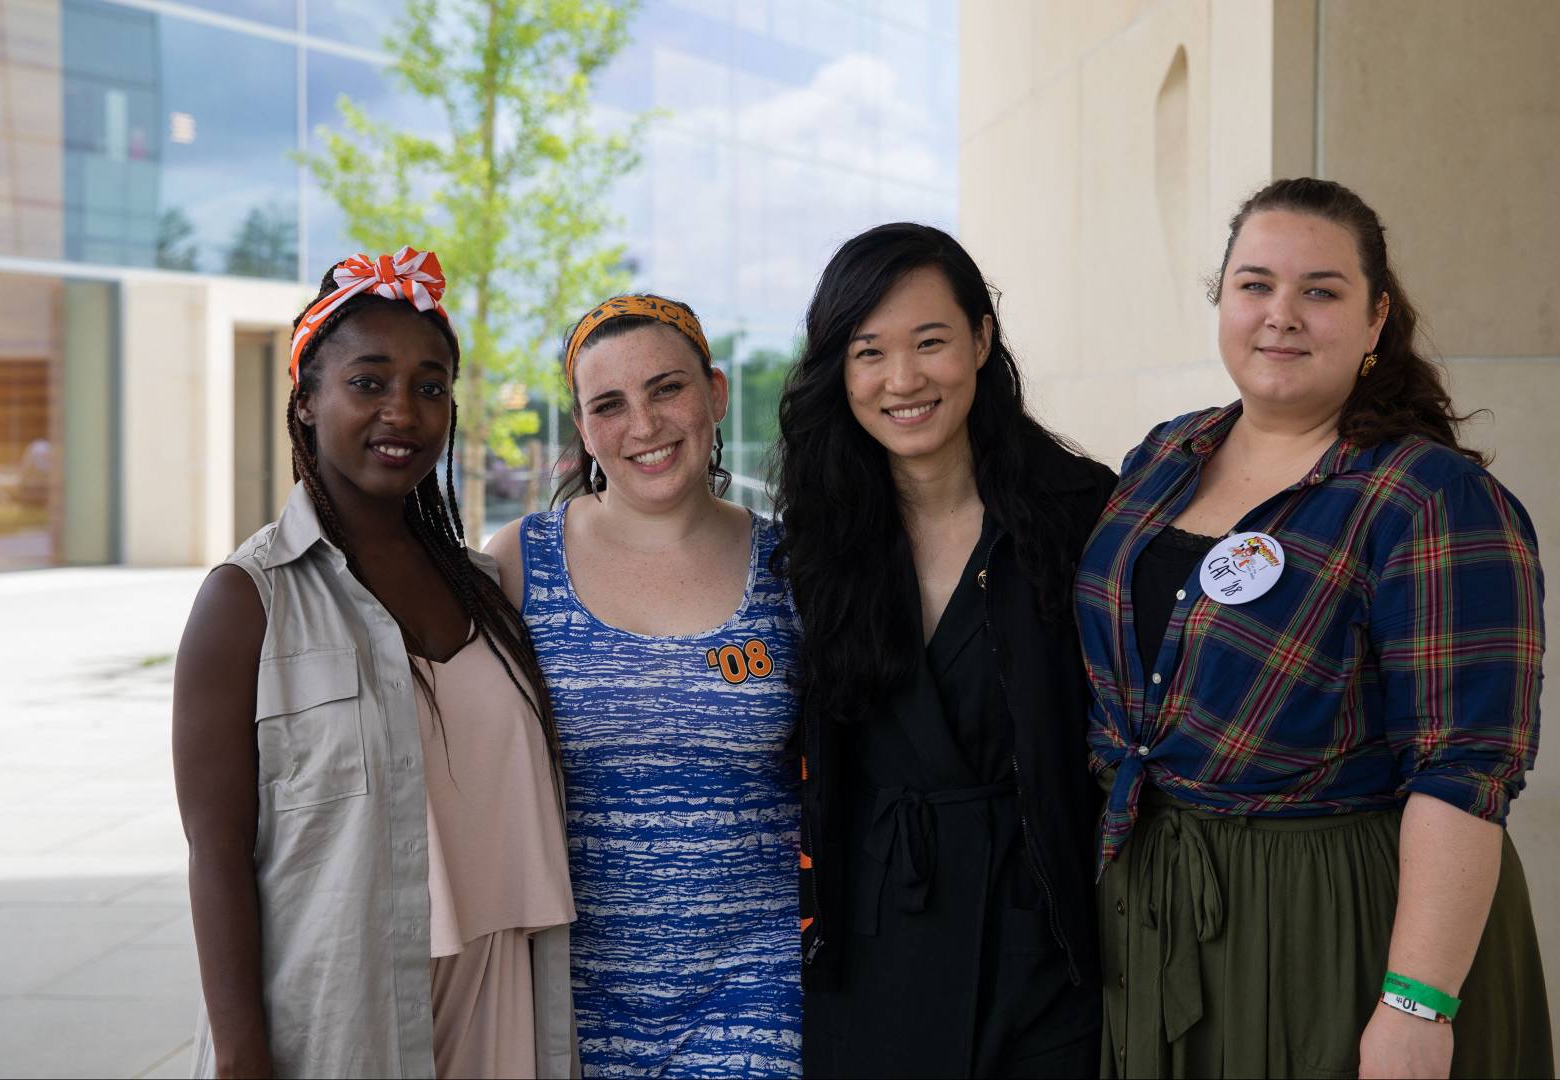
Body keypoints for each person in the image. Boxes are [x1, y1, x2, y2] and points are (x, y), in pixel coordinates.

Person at [1078, 178, 1554, 1078]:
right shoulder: (1165, 455)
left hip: (1334, 918)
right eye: (1255, 284)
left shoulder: (1430, 498)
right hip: (1157, 903)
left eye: (1320, 291)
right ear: (1222, 298)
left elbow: (1464, 770)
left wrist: (1417, 1007)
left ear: (1376, 320)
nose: (1280, 315)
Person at [172, 248, 577, 1078]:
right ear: (309, 400)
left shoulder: (489, 588)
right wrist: (242, 1054)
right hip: (336, 1011)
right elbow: (216, 854)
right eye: (368, 382)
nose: (403, 410)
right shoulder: (247, 600)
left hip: (498, 991)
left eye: (430, 387)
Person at [772, 222, 1109, 1077]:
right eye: (868, 352)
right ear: (837, 369)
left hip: (1043, 932)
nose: (902, 380)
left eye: (931, 343)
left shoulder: (1083, 514)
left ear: (982, 339)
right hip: (876, 928)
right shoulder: (816, 538)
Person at [483, 294, 802, 1077]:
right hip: (571, 991)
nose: (645, 425)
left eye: (667, 388)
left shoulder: (794, 566)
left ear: (716, 393)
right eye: (609, 405)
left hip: (757, 987)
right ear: (584, 429)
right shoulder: (520, 563)